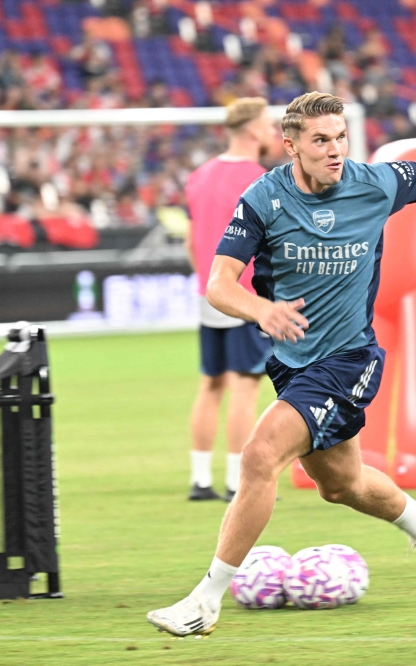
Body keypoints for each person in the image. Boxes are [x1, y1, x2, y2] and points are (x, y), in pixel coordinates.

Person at [147, 91, 416, 635]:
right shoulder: (264, 199)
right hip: (292, 363)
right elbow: (218, 285)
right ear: (291, 145)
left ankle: (205, 602)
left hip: (350, 359)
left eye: (341, 137)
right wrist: (262, 310)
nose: (335, 150)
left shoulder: (373, 183)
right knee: (341, 483)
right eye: (321, 140)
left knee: (259, 457)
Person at [183, 97, 275, 502]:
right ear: (253, 130)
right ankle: (238, 481)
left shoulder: (198, 176)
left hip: (209, 291)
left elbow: (191, 240)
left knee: (211, 384)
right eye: (270, 125)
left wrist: (208, 279)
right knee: (245, 386)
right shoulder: (260, 179)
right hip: (245, 293)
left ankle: (200, 479)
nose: (274, 133)